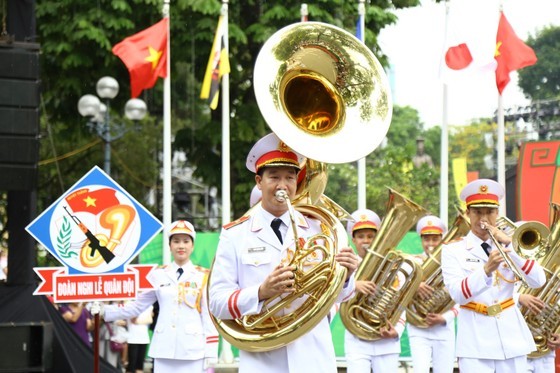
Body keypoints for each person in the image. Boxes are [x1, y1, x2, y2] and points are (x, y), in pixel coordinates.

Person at [209, 133, 359, 373]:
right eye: (274, 177)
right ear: (259, 181)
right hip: (264, 360)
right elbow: (217, 303)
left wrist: (348, 275)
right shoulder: (235, 235)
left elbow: (343, 297)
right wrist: (261, 292)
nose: (283, 186)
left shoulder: (320, 228)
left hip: (314, 357)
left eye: (290, 177)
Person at [441, 179, 546, 372]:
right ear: (467, 214)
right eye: (477, 212)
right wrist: (486, 270)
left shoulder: (510, 244)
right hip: (475, 341)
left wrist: (512, 247)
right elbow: (457, 294)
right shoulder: (453, 250)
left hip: (512, 336)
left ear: (497, 213)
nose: (484, 218)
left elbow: (538, 280)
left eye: (489, 212)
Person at [95, 220, 219, 373]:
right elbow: (136, 306)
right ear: (170, 245)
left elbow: (209, 317)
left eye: (186, 241)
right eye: (176, 241)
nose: (181, 246)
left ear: (192, 246)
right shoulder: (157, 275)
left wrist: (211, 352)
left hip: (193, 350)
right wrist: (104, 310)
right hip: (163, 349)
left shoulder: (202, 276)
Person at [343, 208, 406, 373]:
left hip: (385, 341)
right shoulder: (346, 266)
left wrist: (396, 331)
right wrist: (354, 286)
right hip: (357, 340)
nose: (366, 241)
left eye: (371, 236)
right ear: (353, 240)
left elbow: (399, 301)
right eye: (361, 236)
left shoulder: (391, 266)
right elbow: (333, 295)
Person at [407, 215, 458, 373]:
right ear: (421, 240)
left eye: (435, 239)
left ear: (442, 240)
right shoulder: (413, 263)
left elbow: (462, 296)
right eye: (426, 239)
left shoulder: (453, 263)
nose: (430, 244)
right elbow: (397, 290)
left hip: (444, 327)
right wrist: (415, 285)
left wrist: (445, 317)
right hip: (418, 328)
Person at [125, 302, 153, 373]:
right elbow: (133, 319)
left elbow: (150, 320)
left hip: (144, 338)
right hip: (132, 339)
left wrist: (139, 322)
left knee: (140, 365)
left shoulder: (149, 306)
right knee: (131, 364)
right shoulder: (130, 305)